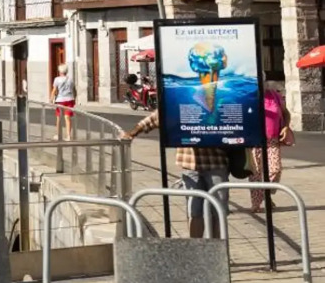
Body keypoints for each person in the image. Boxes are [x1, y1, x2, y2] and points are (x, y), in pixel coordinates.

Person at [122, 111, 227, 239]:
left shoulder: (218, 104)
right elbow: (154, 118)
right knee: (194, 211)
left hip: (216, 162)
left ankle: (219, 247)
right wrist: (132, 133)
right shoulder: (180, 104)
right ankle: (196, 247)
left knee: (219, 210)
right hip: (190, 164)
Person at [253, 79, 295, 212]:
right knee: (256, 173)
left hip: (272, 139)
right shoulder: (249, 96)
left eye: (262, 80)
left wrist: (286, 127)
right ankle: (256, 204)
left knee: (276, 169)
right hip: (254, 140)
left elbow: (286, 113)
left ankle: (265, 194)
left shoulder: (274, 95)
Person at [52, 63, 77, 140]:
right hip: (70, 100)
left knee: (58, 118)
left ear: (60, 71)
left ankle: (58, 135)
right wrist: (74, 98)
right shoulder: (70, 79)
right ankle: (68, 136)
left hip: (60, 100)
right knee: (67, 118)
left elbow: (54, 90)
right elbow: (74, 90)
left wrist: (51, 99)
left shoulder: (57, 79)